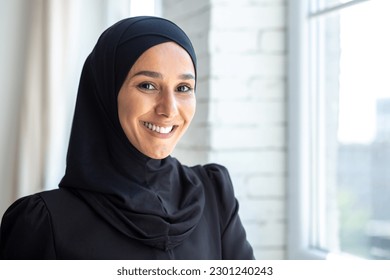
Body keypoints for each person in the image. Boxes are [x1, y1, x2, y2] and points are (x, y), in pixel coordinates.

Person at [0, 16, 254, 260]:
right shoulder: (45, 222)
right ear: (107, 92)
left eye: (183, 88)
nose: (169, 109)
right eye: (147, 85)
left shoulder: (214, 195)